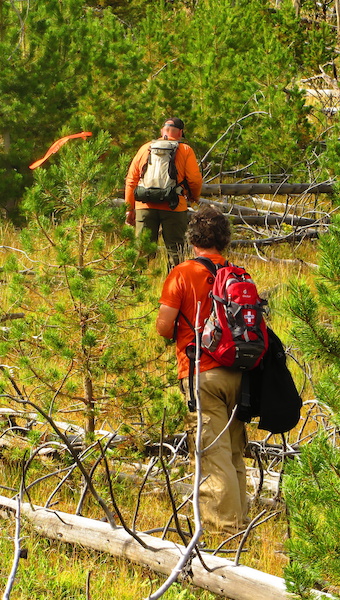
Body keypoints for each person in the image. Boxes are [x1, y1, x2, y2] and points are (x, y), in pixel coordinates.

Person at [155, 206, 248, 535]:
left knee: (212, 453)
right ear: (224, 240)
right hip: (239, 373)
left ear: (192, 239)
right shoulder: (238, 274)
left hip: (201, 372)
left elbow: (164, 326)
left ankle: (224, 532)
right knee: (234, 452)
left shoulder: (182, 273)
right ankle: (241, 523)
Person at [125, 117, 203, 270]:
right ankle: (173, 283)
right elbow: (194, 179)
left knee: (142, 250)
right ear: (180, 133)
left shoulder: (145, 148)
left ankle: (135, 282)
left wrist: (129, 208)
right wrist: (194, 197)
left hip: (145, 205)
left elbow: (131, 180)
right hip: (174, 205)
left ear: (162, 131)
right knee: (175, 251)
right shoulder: (185, 150)